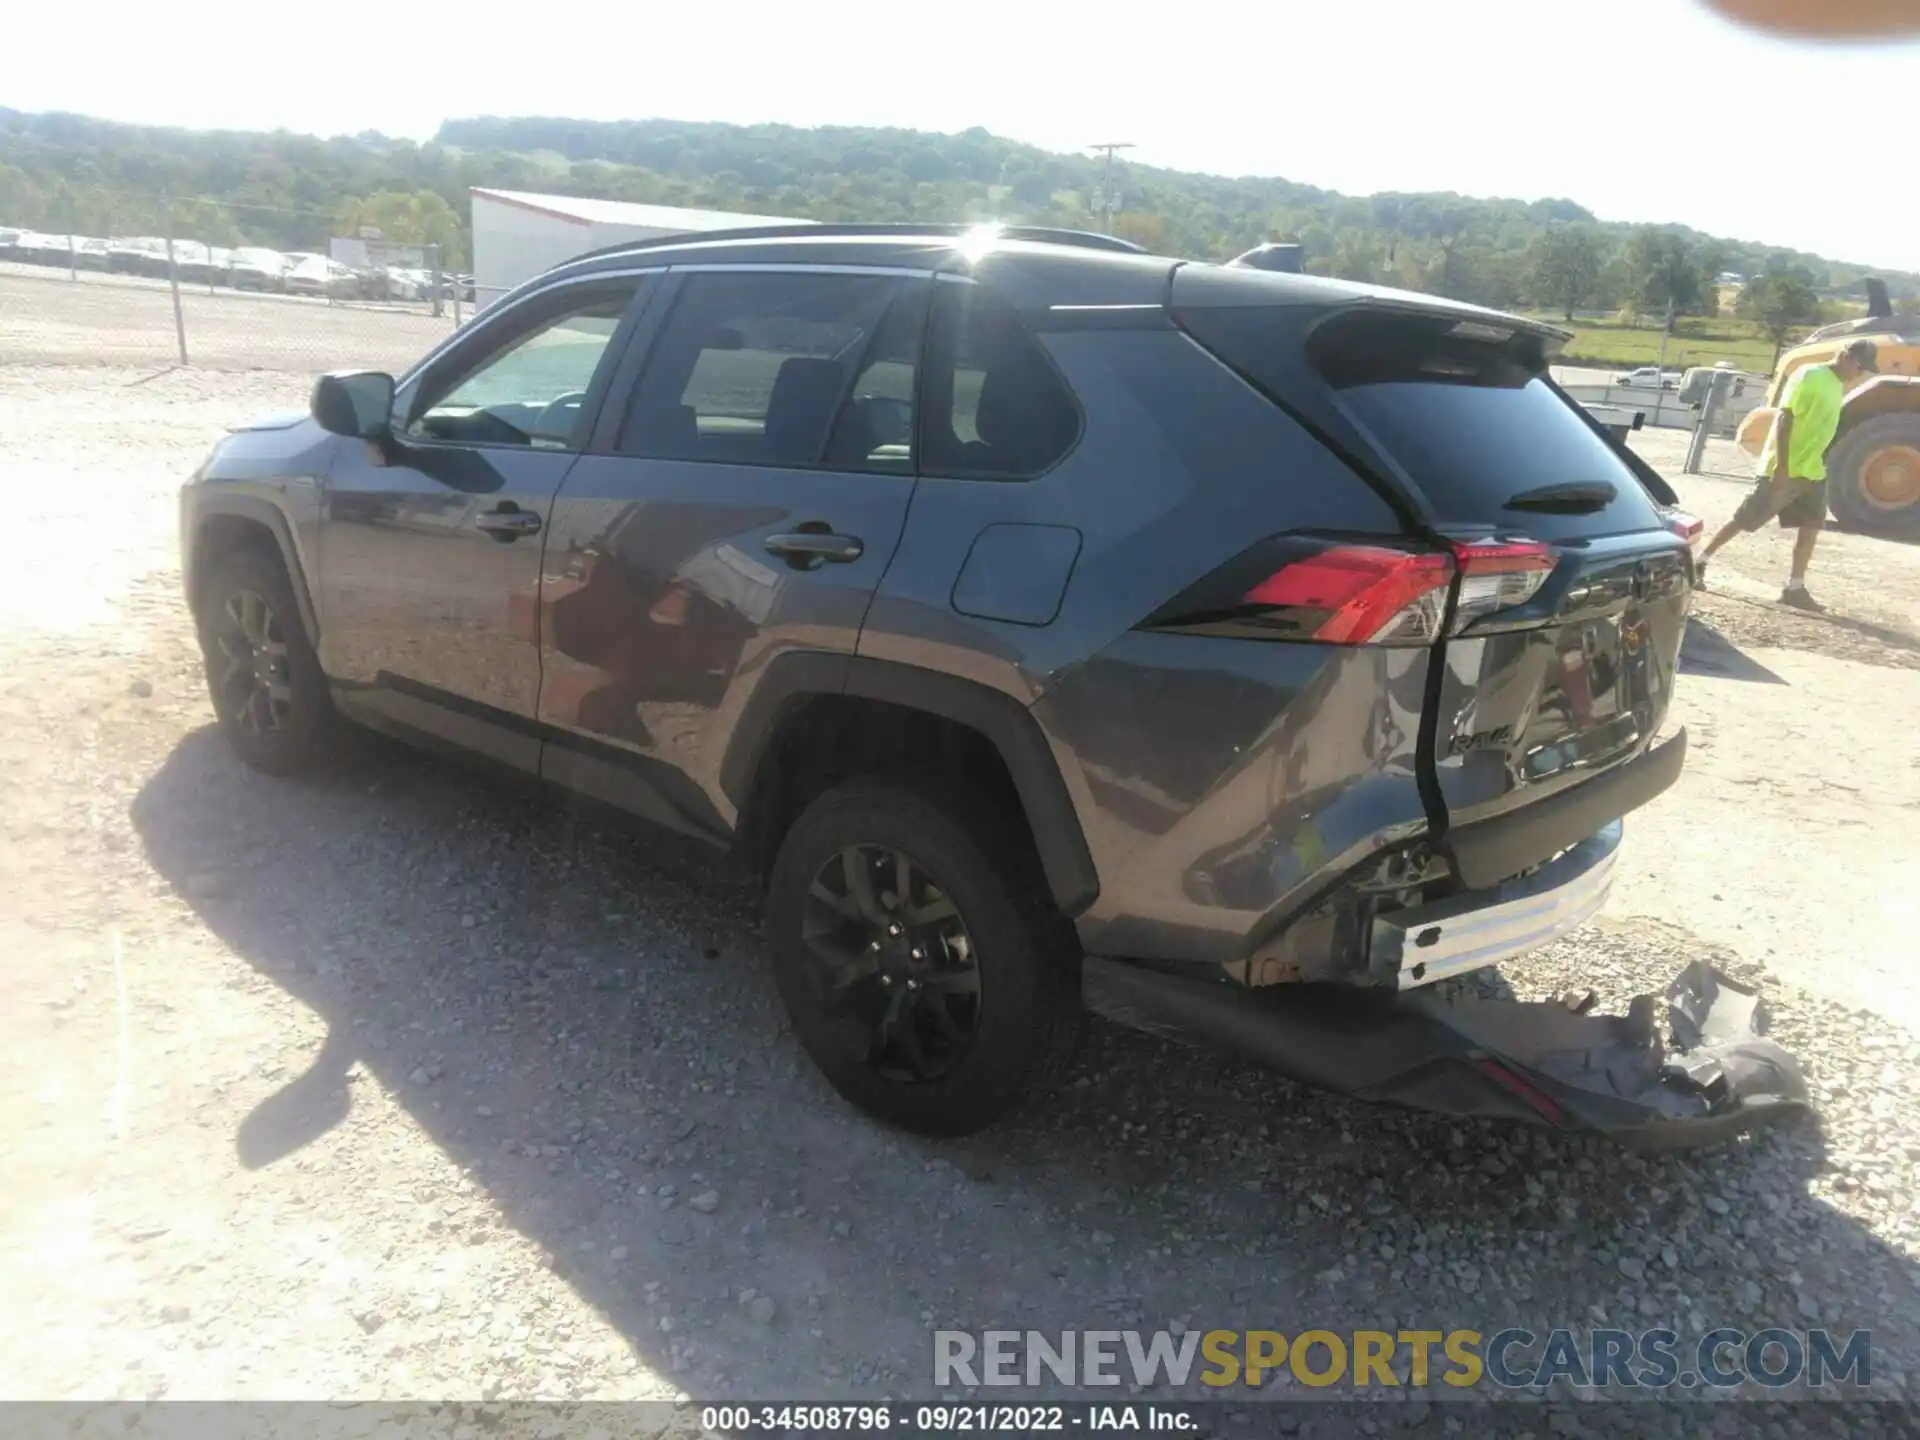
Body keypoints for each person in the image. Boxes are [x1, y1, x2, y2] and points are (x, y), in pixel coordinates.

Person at [1696, 338, 1877, 612]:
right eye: (1860, 367)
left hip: (1812, 469)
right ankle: (1700, 561)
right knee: (1745, 518)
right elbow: (1785, 418)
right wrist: (1781, 466)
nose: (1860, 375)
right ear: (1845, 356)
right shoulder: (1810, 376)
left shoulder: (1837, 385)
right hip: (1786, 467)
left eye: (1865, 371)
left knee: (1811, 527)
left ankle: (1795, 587)